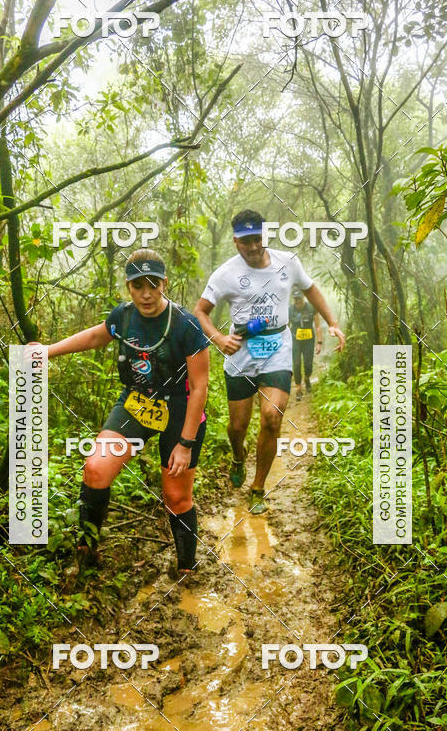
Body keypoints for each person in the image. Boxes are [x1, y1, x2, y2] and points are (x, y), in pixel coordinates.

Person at [39, 248, 209, 575]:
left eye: (153, 284)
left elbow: (200, 387)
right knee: (96, 469)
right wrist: (48, 351)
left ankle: (187, 568)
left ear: (164, 283)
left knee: (176, 496)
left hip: (180, 408)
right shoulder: (124, 315)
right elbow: (94, 337)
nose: (146, 294)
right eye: (138, 286)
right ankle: (87, 552)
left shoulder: (186, 324)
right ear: (128, 287)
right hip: (135, 402)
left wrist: (184, 444)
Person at [194, 208, 344, 514]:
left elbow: (311, 288)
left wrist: (332, 322)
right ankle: (239, 456)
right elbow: (200, 311)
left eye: (258, 239)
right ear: (235, 241)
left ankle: (258, 487)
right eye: (245, 240)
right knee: (237, 427)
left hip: (278, 347)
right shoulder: (225, 274)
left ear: (266, 235)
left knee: (272, 418)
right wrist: (219, 339)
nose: (253, 247)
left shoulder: (287, 262)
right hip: (241, 352)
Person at [290, 291, 323, 401]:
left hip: (309, 340)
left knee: (308, 363)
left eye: (299, 298)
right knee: (296, 363)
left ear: (303, 298)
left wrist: (319, 342)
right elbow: (286, 326)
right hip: (295, 340)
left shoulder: (311, 308)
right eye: (295, 299)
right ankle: (298, 389)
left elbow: (317, 325)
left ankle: (307, 377)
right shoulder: (290, 310)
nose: (297, 301)